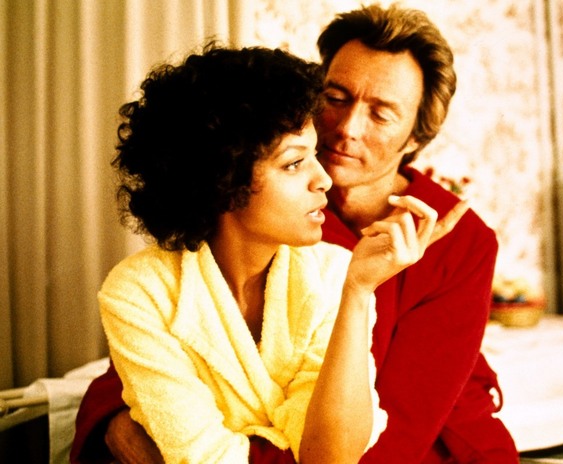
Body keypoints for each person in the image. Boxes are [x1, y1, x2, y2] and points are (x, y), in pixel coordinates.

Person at [72, 4, 519, 463]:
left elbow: (390, 435)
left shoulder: (456, 244)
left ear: (416, 137)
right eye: (336, 97)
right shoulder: (253, 203)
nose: (346, 128)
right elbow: (161, 347)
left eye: (382, 114)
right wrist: (116, 424)